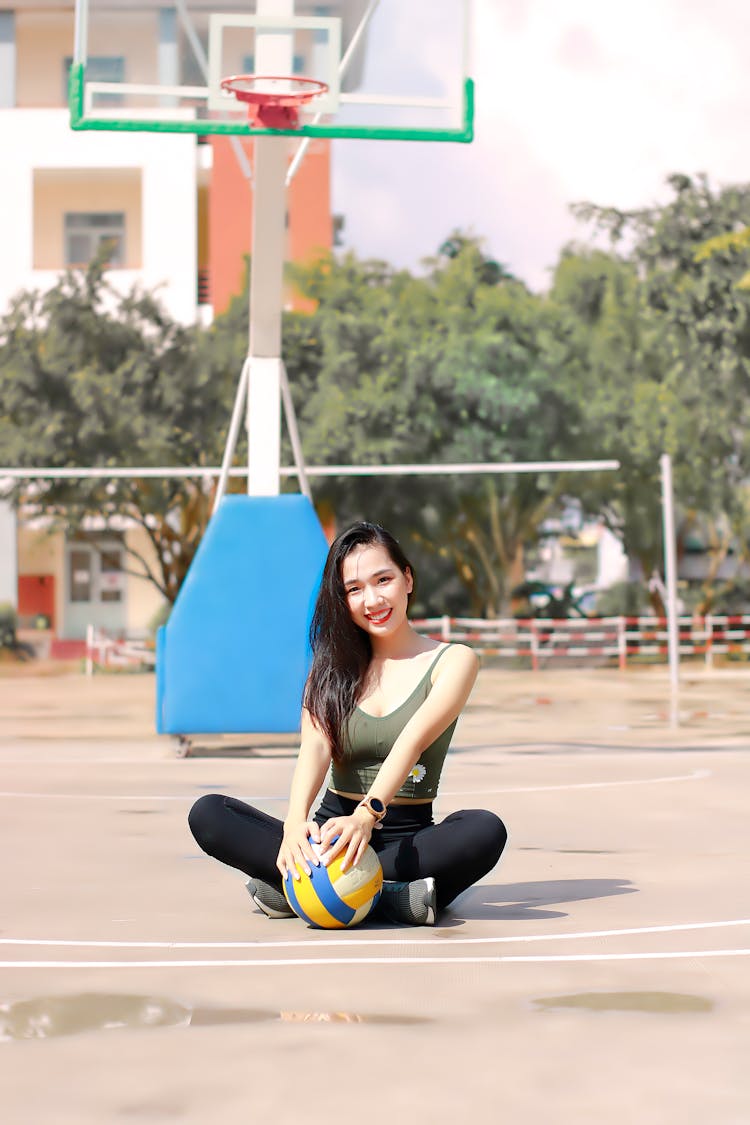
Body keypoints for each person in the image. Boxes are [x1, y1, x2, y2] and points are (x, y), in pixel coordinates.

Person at [188, 521, 507, 925]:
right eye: (354, 589)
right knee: (209, 813)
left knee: (484, 830)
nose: (372, 599)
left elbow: (410, 742)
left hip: (404, 840)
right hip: (329, 838)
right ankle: (384, 896)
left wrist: (366, 815)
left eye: (383, 580)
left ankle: (315, 892)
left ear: (407, 579)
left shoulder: (454, 661)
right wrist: (295, 826)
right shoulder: (330, 667)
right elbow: (316, 747)